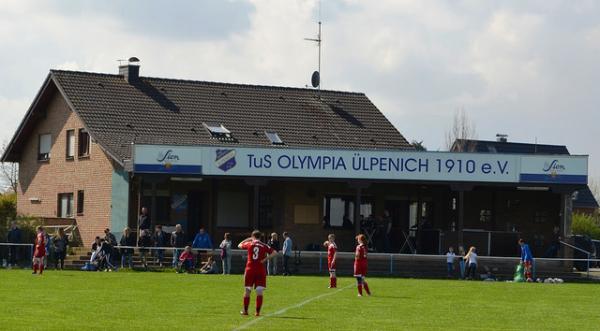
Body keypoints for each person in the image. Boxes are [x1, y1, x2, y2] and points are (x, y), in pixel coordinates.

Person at [238, 230, 277, 317]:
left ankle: (245, 311)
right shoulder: (264, 245)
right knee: (259, 291)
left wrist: (248, 239)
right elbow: (274, 252)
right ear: (260, 237)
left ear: (253, 236)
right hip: (260, 270)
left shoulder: (250, 244)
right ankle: (257, 312)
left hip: (250, 269)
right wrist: (265, 259)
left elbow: (239, 245)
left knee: (248, 290)